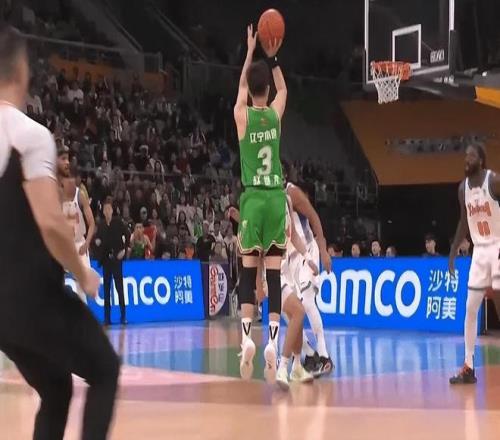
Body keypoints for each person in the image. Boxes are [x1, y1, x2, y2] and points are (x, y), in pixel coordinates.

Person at [0, 25, 119, 439]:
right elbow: (51, 225)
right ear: (22, 70)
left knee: (55, 389)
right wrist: (83, 274)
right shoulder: (29, 135)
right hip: (32, 296)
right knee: (105, 368)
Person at [233, 24, 287, 383]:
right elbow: (285, 88)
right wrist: (273, 55)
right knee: (275, 275)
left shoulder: (243, 115)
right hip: (276, 198)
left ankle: (246, 339)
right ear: (267, 88)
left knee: (248, 272)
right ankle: (273, 343)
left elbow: (241, 88)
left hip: (252, 199)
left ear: (250, 90)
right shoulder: (275, 114)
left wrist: (251, 50)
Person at [448, 143, 500, 384]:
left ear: (481, 159)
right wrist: (452, 251)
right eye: (465, 156)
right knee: (470, 308)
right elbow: (463, 221)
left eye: (471, 156)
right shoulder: (463, 188)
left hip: (497, 245)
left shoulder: (494, 181)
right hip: (479, 251)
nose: (466, 159)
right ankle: (468, 366)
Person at [281, 163, 334, 375]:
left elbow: (314, 217)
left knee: (307, 301)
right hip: (289, 260)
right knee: (289, 311)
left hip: (307, 252)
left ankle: (324, 354)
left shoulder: (292, 192)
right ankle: (310, 354)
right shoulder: (270, 198)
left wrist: (323, 250)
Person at [59, 164, 96, 303]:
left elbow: (92, 223)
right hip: (65, 245)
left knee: (84, 284)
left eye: (71, 178)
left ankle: (83, 309)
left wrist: (87, 243)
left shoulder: (80, 196)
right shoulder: (58, 197)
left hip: (80, 243)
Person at [95, 198, 129, 325]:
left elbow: (127, 234)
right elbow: (97, 239)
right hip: (106, 260)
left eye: (109, 209)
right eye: (105, 209)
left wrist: (124, 250)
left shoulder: (118, 222)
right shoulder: (101, 225)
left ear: (112, 210)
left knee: (119, 288)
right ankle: (107, 318)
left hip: (116, 259)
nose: (107, 211)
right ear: (103, 211)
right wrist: (97, 241)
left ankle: (123, 316)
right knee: (107, 289)